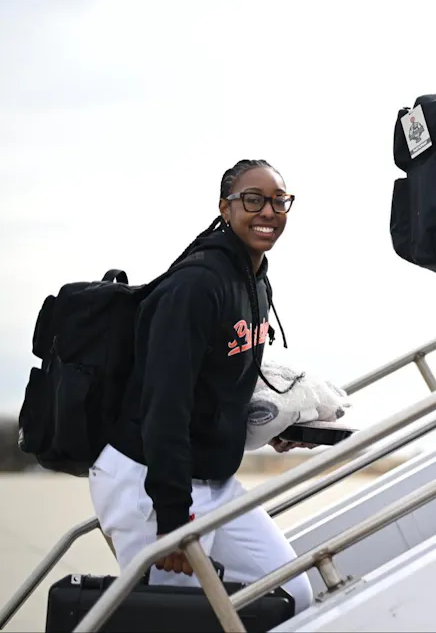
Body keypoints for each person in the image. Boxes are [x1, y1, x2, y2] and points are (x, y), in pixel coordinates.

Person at [88, 158, 313, 613]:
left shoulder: (254, 280)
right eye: (253, 200)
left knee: (294, 594)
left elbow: (222, 384)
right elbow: (165, 406)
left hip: (211, 475)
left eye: (279, 201)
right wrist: (173, 520)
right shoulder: (196, 286)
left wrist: (276, 428)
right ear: (224, 209)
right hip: (148, 479)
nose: (268, 211)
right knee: (173, 620)